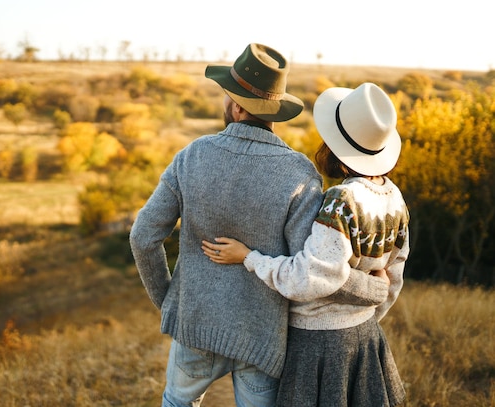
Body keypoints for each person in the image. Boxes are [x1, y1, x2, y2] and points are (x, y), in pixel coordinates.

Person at [129, 44, 390, 407]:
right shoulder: (300, 174)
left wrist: (171, 302)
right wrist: (373, 290)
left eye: (226, 97)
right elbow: (314, 270)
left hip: (196, 323)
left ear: (237, 106)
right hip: (262, 336)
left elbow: (143, 237)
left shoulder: (191, 157)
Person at [202, 82, 409, 406]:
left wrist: (249, 257)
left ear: (337, 152)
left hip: (319, 342)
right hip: (367, 335)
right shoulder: (395, 199)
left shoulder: (341, 202)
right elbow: (393, 274)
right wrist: (367, 315)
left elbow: (308, 277)